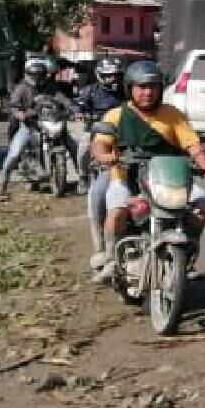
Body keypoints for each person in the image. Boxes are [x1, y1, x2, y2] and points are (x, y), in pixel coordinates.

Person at [89, 60, 205, 280]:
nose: (147, 92)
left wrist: (204, 162)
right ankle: (111, 257)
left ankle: (187, 256)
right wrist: (105, 156)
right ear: (130, 88)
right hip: (126, 179)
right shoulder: (116, 115)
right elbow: (100, 143)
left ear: (160, 89)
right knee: (116, 212)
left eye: (153, 87)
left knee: (202, 203)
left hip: (168, 178)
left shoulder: (172, 114)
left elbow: (192, 144)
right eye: (141, 87)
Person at [0, 56, 78, 199]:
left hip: (50, 122)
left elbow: (62, 98)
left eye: (40, 74)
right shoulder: (21, 88)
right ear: (27, 73)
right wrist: (19, 113)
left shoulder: (50, 87)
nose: (37, 77)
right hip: (30, 126)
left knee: (74, 147)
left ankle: (84, 179)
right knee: (14, 153)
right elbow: (13, 105)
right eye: (33, 74)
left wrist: (72, 107)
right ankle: (1, 186)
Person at [74, 58, 126, 263]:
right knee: (83, 149)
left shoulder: (127, 95)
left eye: (115, 75)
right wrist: (80, 114)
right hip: (98, 134)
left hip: (125, 142)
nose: (112, 79)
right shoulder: (90, 92)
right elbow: (78, 106)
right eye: (107, 76)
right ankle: (82, 175)